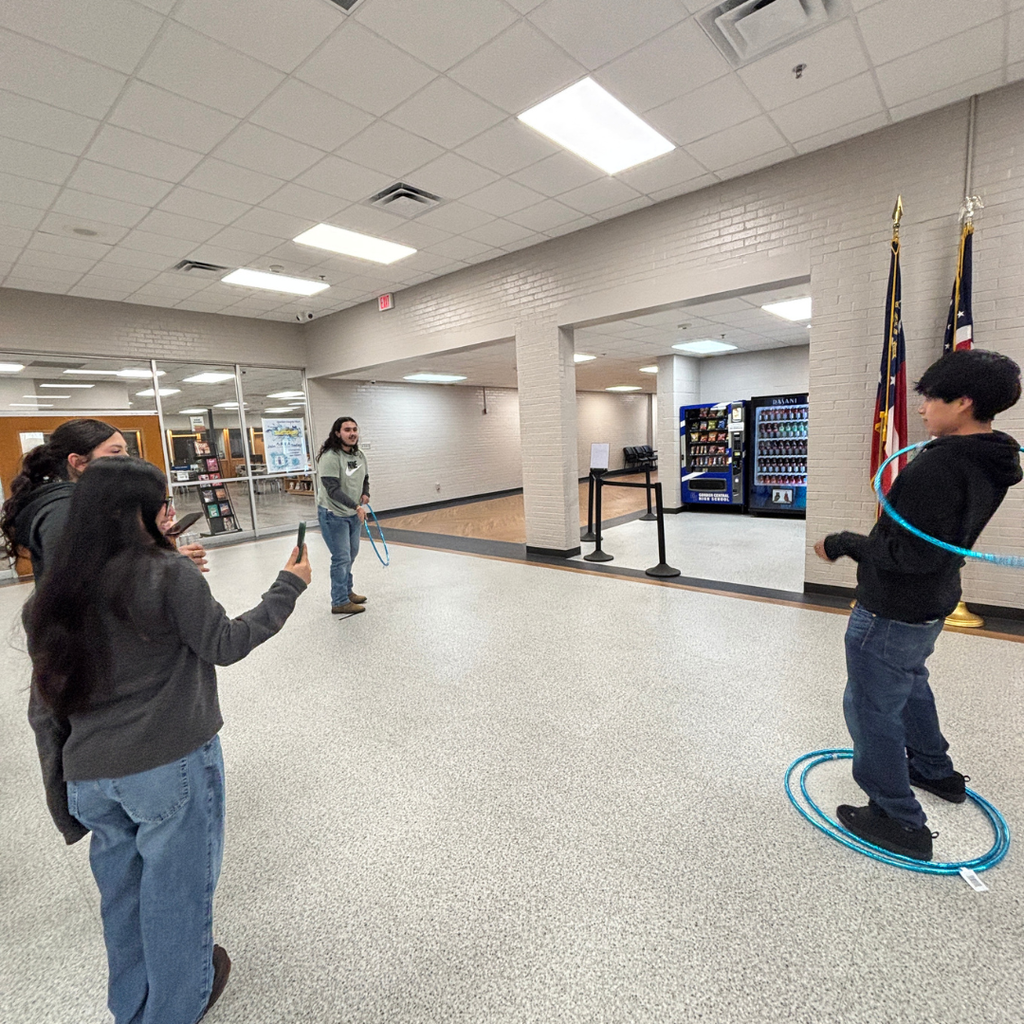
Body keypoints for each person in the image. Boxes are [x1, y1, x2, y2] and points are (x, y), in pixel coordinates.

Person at [24, 458, 311, 1023]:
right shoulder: (166, 574)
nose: (171, 514)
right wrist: (288, 587)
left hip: (90, 778)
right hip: (168, 769)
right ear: (138, 514)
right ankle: (175, 1010)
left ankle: (132, 1011)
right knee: (177, 905)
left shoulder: (52, 595)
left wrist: (62, 800)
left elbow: (44, 710)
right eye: (163, 504)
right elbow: (224, 642)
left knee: (124, 904)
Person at [814, 348, 1022, 860]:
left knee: (870, 704)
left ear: (964, 402)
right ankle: (934, 770)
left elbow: (909, 553)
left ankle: (896, 816)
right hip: (931, 602)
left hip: (893, 605)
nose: (923, 408)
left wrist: (842, 542)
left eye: (931, 399)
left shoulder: (941, 466)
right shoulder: (991, 456)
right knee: (908, 682)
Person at [0, 418, 207, 576]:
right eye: (116, 451)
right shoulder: (63, 512)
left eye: (126, 450)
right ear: (79, 462)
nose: (126, 459)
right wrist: (169, 567)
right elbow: (91, 582)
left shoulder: (87, 503)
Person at [315, 416, 370, 616]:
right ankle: (339, 601)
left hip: (353, 514)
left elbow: (365, 478)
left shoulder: (360, 455)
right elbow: (332, 489)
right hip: (334, 514)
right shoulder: (330, 457)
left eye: (355, 429)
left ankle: (347, 591)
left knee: (351, 554)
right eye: (347, 429)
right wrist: (356, 506)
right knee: (341, 557)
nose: (352, 433)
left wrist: (365, 493)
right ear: (338, 433)